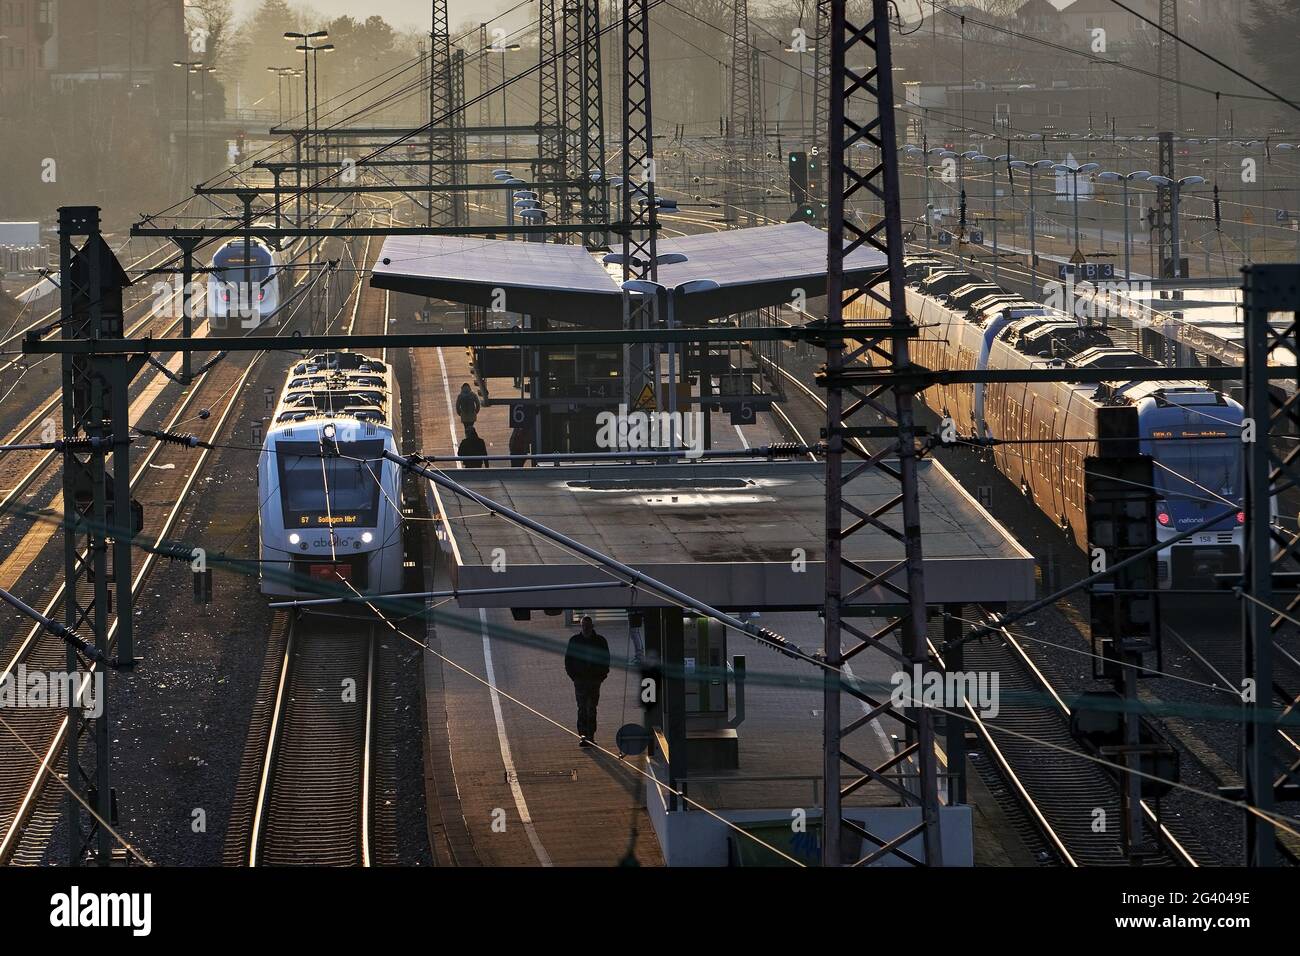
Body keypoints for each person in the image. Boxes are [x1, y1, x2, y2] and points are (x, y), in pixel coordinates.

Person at [564, 615, 610, 747]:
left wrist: (602, 676)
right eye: (584, 626)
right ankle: (584, 735)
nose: (586, 628)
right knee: (582, 708)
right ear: (581, 626)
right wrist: (574, 676)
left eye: (588, 626)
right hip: (580, 681)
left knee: (592, 708)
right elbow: (568, 660)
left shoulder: (600, 641)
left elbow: (606, 659)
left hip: (594, 681)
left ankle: (591, 735)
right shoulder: (575, 641)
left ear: (592, 627)